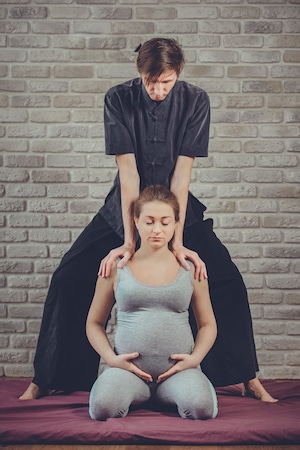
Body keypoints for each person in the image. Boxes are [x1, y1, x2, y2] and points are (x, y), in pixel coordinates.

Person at [20, 37, 276, 402]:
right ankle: (46, 378)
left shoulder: (195, 101)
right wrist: (128, 239)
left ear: (178, 74)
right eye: (150, 82)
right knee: (67, 278)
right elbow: (129, 176)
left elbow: (182, 176)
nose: (157, 90)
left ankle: (246, 378)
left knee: (229, 282)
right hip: (124, 207)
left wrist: (179, 239)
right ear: (140, 74)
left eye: (166, 82)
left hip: (177, 208)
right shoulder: (118, 98)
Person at [87, 185, 218, 420]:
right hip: (129, 374)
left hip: (178, 373)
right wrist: (111, 359)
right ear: (135, 221)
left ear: (177, 223)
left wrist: (195, 359)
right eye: (149, 221)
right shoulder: (115, 267)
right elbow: (94, 323)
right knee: (103, 409)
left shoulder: (191, 268)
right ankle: (119, 389)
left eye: (165, 222)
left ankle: (183, 390)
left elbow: (208, 324)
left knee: (201, 409)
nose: (157, 229)